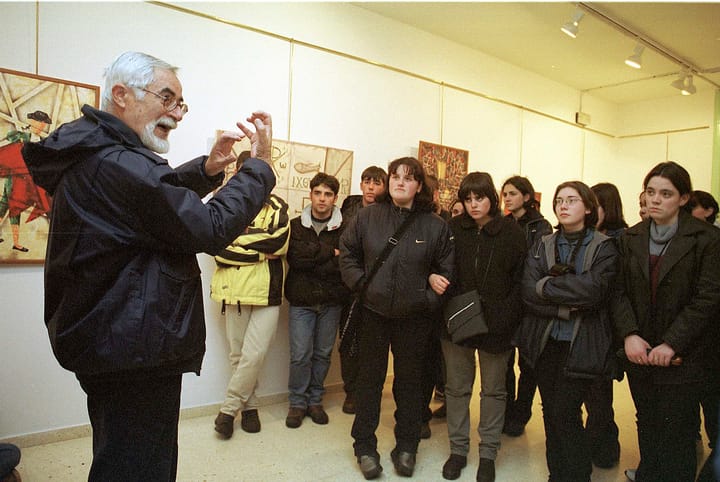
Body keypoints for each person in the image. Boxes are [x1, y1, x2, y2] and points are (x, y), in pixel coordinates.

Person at [21, 51, 275, 482]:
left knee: (121, 456)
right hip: (131, 347)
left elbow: (151, 203)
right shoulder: (118, 163)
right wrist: (259, 170)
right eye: (167, 98)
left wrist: (208, 169)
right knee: (139, 468)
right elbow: (208, 227)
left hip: (112, 338)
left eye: (181, 104)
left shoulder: (98, 154)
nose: (175, 114)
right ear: (121, 95)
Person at [339, 156, 454, 479]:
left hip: (414, 317)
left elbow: (446, 270)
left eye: (408, 177)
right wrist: (361, 284)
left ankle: (407, 445)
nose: (400, 182)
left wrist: (426, 297)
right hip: (373, 313)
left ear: (419, 185)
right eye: (395, 176)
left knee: (410, 385)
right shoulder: (367, 216)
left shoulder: (436, 225)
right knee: (369, 382)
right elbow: (347, 252)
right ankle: (364, 446)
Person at [614, 161, 720, 482]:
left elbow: (707, 298)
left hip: (683, 354)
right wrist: (629, 334)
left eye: (665, 193)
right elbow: (617, 292)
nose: (655, 200)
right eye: (650, 192)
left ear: (684, 198)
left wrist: (672, 342)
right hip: (640, 352)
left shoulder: (707, 239)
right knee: (647, 421)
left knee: (677, 429)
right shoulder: (630, 237)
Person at [516, 180, 620, 482]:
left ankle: (576, 475)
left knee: (568, 414)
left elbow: (594, 292)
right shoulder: (543, 244)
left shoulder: (604, 246)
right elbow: (528, 291)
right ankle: (556, 474)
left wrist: (548, 286)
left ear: (588, 207)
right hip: (547, 341)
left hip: (584, 343)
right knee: (551, 413)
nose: (563, 205)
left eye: (571, 200)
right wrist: (565, 303)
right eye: (559, 200)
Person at [441, 172, 526, 482]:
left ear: (491, 197)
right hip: (458, 320)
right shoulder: (452, 229)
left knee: (493, 391)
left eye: (479, 198)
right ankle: (458, 450)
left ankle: (488, 453)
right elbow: (440, 269)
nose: (474, 204)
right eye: (468, 199)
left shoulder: (512, 233)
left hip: (498, 324)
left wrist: (507, 317)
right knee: (456, 388)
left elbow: (520, 281)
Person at [211, 185, 290, 439]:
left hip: (267, 290)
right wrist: (259, 254)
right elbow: (219, 249)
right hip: (233, 289)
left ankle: (228, 409)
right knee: (238, 355)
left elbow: (278, 243)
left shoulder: (278, 207)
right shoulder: (226, 205)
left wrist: (239, 239)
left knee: (254, 354)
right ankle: (250, 408)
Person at [285, 172, 348, 428]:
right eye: (318, 193)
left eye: (328, 194)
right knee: (300, 355)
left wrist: (317, 259)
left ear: (335, 198)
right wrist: (329, 254)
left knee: (322, 354)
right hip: (301, 300)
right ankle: (297, 403)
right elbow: (296, 260)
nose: (322, 199)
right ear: (310, 195)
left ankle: (315, 400)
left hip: (331, 301)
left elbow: (344, 264)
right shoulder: (295, 225)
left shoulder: (346, 228)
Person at [578, 182, 627, 468]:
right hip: (587, 325)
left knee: (599, 395)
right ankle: (601, 444)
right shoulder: (587, 237)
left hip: (606, 327)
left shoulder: (620, 240)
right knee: (592, 394)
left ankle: (605, 446)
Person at [499, 175, 552, 437]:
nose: (507, 198)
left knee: (528, 362)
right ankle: (508, 411)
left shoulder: (541, 226)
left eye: (512, 193)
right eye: (504, 194)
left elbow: (536, 263)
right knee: (505, 360)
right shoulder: (504, 223)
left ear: (527, 197)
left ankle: (522, 412)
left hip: (529, 302)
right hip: (507, 300)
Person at [338, 165, 387, 414]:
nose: (370, 187)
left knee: (372, 345)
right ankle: (351, 392)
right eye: (367, 181)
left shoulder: (390, 213)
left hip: (378, 289)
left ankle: (368, 393)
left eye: (376, 183)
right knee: (348, 341)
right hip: (350, 287)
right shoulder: (349, 207)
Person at [0, 110, 53, 252]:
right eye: (41, 122)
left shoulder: (41, 140)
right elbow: (10, 139)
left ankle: (16, 242)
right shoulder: (22, 135)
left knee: (9, 204)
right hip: (17, 177)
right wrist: (22, 133)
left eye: (44, 123)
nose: (43, 126)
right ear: (34, 122)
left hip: (30, 179)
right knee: (10, 204)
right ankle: (16, 242)